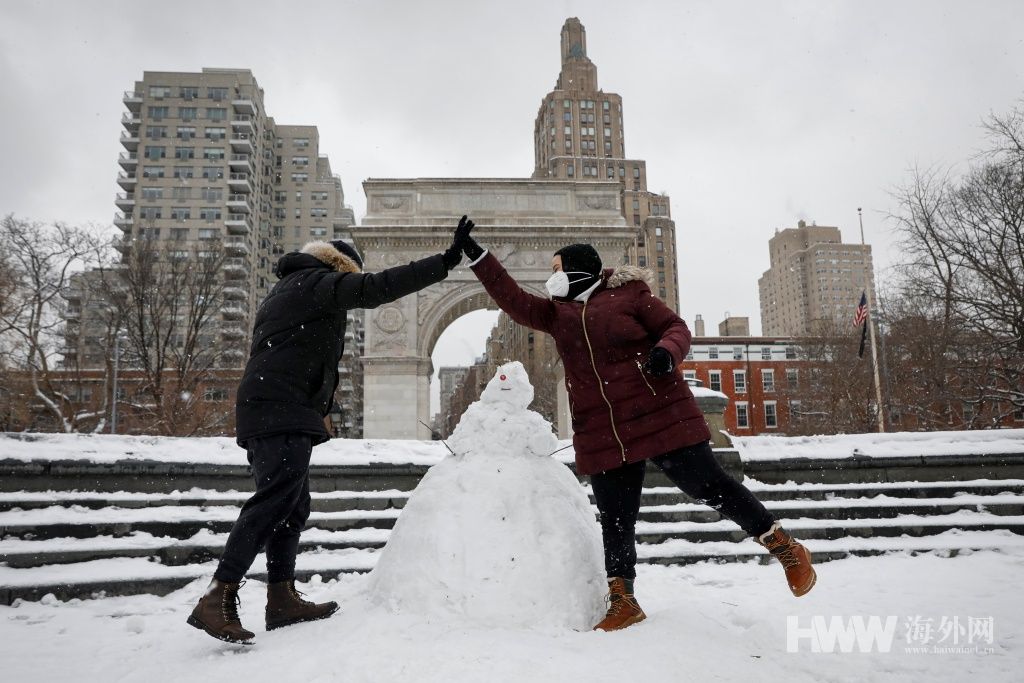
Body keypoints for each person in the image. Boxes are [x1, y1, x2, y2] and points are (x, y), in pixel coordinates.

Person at [457, 221, 816, 632]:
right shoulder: (558, 315)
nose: (550, 278)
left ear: (577, 271)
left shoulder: (631, 296)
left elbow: (675, 328)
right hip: (603, 428)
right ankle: (623, 599)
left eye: (556, 268)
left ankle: (782, 546)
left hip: (658, 411)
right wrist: (478, 257)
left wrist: (667, 352)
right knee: (615, 516)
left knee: (707, 485)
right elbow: (513, 299)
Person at [187, 217, 475, 644]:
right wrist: (447, 260)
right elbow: (377, 289)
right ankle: (218, 595)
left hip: (276, 409)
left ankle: (281, 597)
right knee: (272, 502)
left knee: (292, 505)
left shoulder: (289, 290)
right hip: (278, 410)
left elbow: (295, 355)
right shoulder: (316, 283)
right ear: (342, 268)